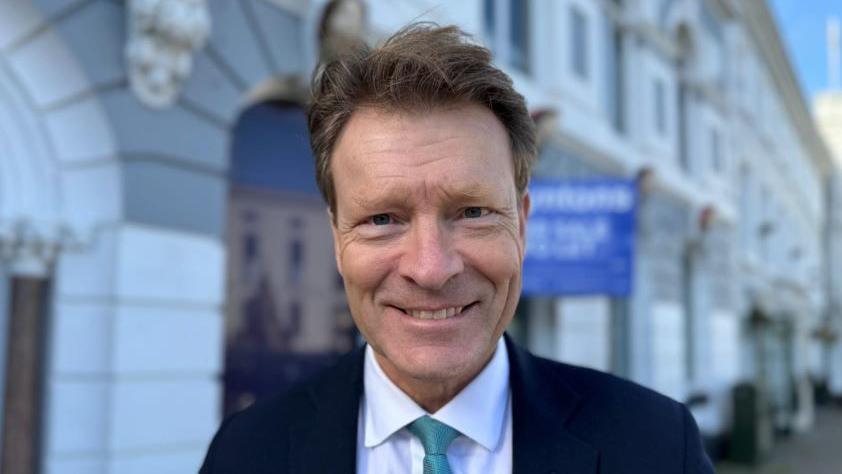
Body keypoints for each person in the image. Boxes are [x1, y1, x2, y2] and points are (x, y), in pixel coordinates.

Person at [200, 24, 715, 474]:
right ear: (337, 239)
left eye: (472, 213)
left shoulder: (658, 447)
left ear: (522, 224)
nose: (430, 268)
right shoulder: (245, 454)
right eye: (382, 219)